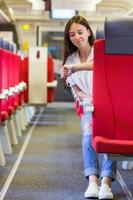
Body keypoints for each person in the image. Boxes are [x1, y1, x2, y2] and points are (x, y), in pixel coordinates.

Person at [60, 15, 117, 199]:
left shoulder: (100, 50)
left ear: (89, 32)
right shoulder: (70, 59)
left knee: (110, 137)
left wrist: (75, 68)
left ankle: (106, 183)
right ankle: (93, 180)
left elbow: (98, 65)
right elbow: (77, 90)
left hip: (110, 104)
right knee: (87, 133)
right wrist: (90, 99)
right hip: (90, 105)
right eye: (72, 35)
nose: (76, 37)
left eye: (80, 32)